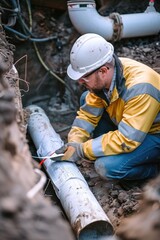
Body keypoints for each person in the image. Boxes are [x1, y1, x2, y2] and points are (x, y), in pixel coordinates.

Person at [56, 33, 160, 188]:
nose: (79, 82)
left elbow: (127, 139)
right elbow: (87, 115)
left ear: (103, 71)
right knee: (86, 97)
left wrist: (83, 150)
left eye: (84, 78)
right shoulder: (109, 74)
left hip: (153, 134)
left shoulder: (141, 88)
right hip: (131, 126)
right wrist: (74, 143)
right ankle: (107, 149)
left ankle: (153, 173)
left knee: (106, 167)